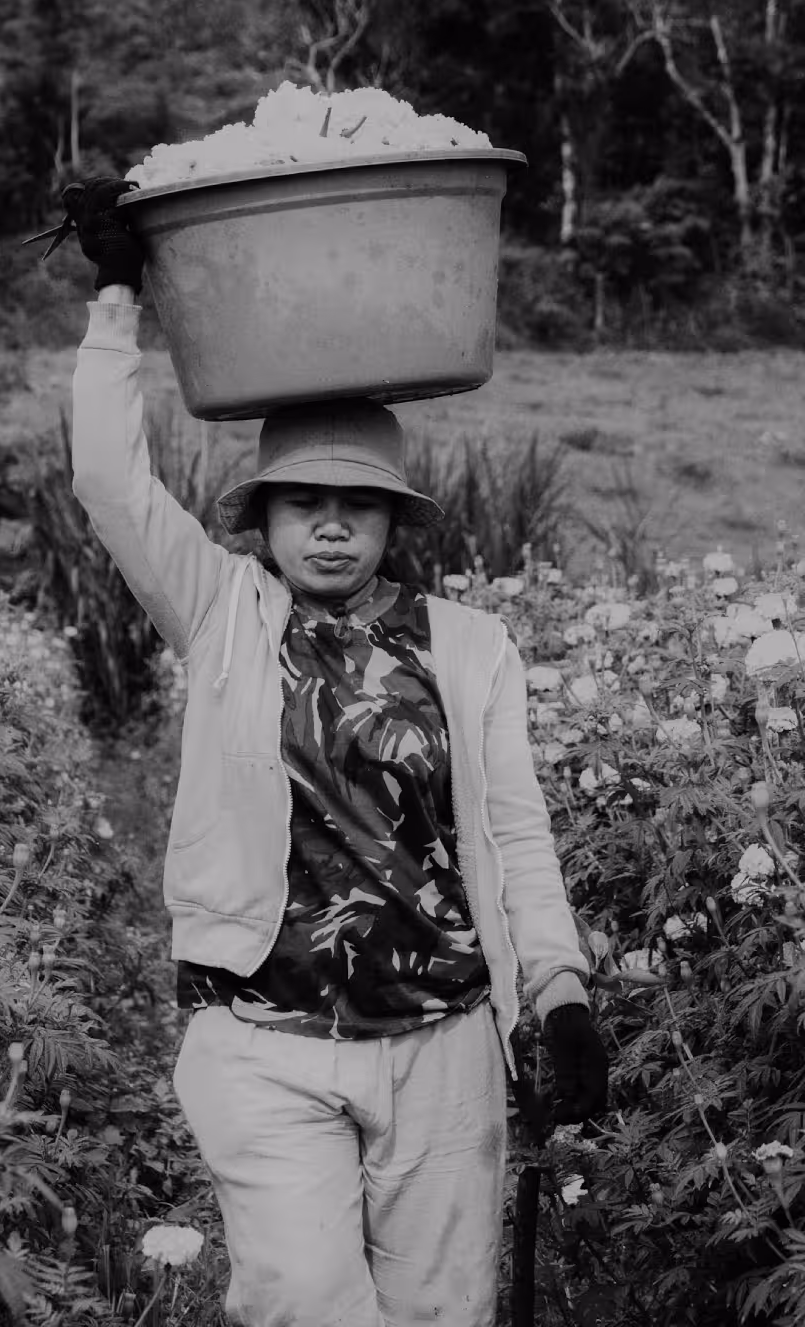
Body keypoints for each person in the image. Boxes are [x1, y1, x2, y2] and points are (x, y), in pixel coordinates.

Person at [65, 177, 608, 1327]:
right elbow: (109, 480)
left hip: (441, 1042)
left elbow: (514, 829)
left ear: (394, 521)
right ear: (257, 517)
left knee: (438, 1311)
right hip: (263, 1036)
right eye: (300, 499)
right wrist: (119, 296)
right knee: (306, 1296)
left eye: (355, 503)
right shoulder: (219, 612)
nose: (326, 522)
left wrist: (556, 984)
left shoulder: (469, 647)